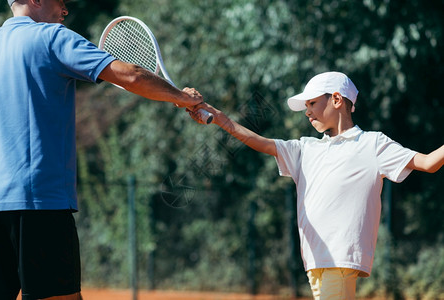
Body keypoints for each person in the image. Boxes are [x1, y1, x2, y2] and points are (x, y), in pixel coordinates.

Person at [0, 0, 203, 299]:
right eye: (60, 1)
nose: (65, 10)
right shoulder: (52, 37)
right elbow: (131, 75)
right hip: (40, 202)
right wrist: (181, 97)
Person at [188, 71, 444, 299]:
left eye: (312, 103)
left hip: (341, 259)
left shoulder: (373, 144)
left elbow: (429, 162)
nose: (307, 112)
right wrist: (220, 118)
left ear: (336, 100)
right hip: (314, 261)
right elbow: (261, 142)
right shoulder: (306, 148)